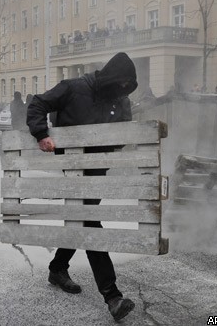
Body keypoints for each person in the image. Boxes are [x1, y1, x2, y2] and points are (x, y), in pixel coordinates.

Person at [26, 52, 138, 322]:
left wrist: (112, 146)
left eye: (127, 86)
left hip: (99, 167)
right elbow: (37, 104)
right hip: (75, 165)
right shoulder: (74, 87)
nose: (123, 90)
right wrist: (42, 134)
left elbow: (124, 131)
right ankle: (112, 297)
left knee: (81, 218)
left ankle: (58, 267)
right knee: (88, 221)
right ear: (111, 77)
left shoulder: (121, 101)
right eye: (121, 84)